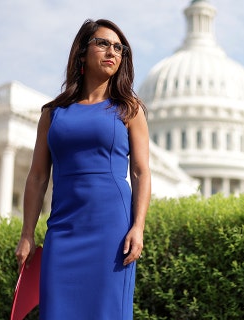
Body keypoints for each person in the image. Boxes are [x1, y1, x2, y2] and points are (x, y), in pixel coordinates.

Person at [14, 18, 151, 319]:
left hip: (112, 231)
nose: (112, 51)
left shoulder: (130, 109)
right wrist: (27, 234)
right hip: (63, 231)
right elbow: (37, 177)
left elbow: (141, 172)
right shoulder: (53, 114)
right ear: (82, 52)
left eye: (119, 48)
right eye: (103, 43)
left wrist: (138, 227)